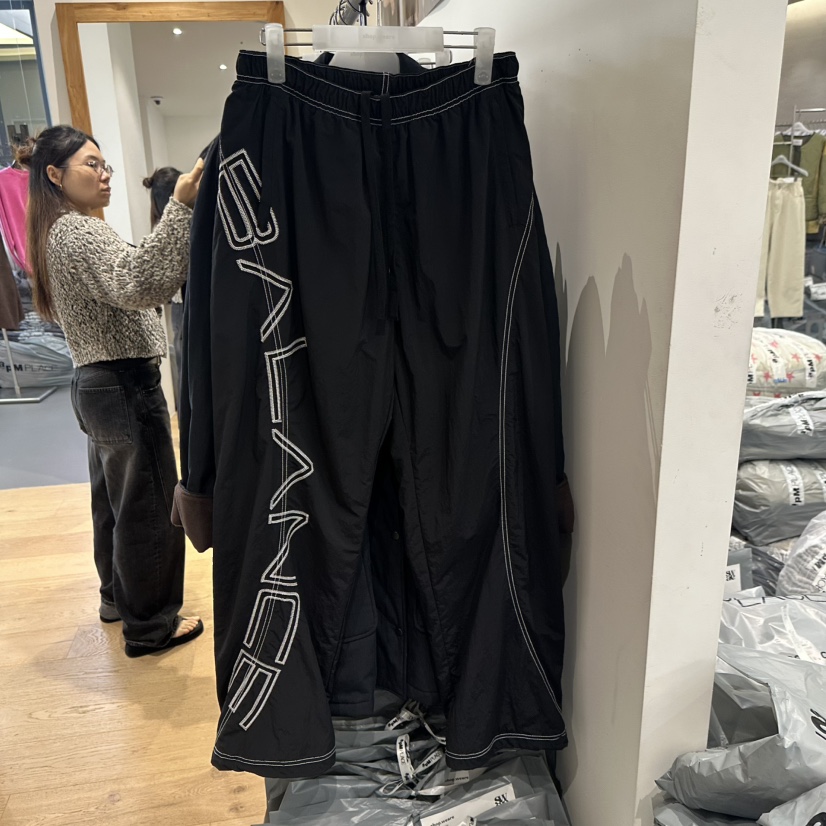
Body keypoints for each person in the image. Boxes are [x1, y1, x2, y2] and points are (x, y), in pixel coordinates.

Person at [21, 124, 204, 657]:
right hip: (123, 383)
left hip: (96, 383)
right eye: (91, 165)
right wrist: (181, 207)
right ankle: (150, 626)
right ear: (55, 175)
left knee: (115, 502)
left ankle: (117, 600)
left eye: (105, 165)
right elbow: (140, 284)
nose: (105, 175)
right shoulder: (79, 232)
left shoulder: (56, 230)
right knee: (147, 504)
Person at [142, 167, 184, 405]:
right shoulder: (166, 229)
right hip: (183, 305)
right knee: (188, 367)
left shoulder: (160, 227)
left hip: (183, 305)